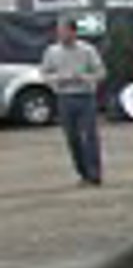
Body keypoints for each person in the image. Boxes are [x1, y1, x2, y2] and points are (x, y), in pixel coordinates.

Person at [40, 16, 105, 185]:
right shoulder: (52, 52)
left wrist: (84, 77)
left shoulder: (87, 50)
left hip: (85, 97)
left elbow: (100, 72)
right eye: (59, 31)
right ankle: (82, 173)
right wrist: (59, 78)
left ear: (73, 32)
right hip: (64, 97)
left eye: (64, 30)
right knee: (72, 137)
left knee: (89, 136)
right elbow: (44, 74)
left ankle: (94, 173)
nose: (61, 34)